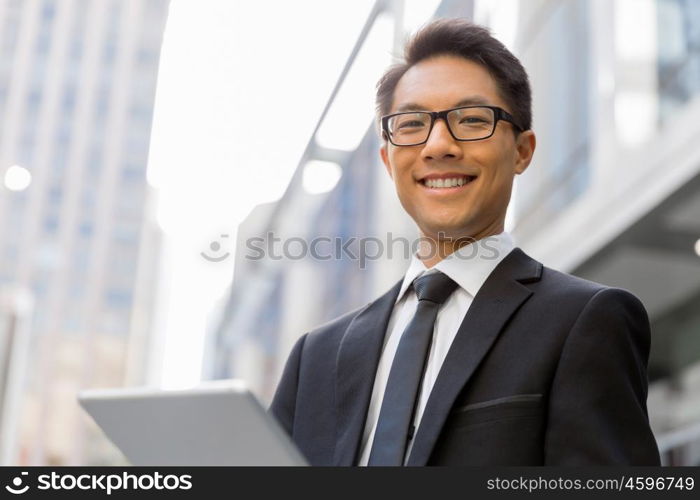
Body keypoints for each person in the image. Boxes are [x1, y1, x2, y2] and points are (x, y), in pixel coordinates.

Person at [269, 18, 661, 466]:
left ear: (522, 151)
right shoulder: (315, 358)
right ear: (387, 159)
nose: (438, 146)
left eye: (471, 120)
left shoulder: (585, 321)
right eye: (412, 124)